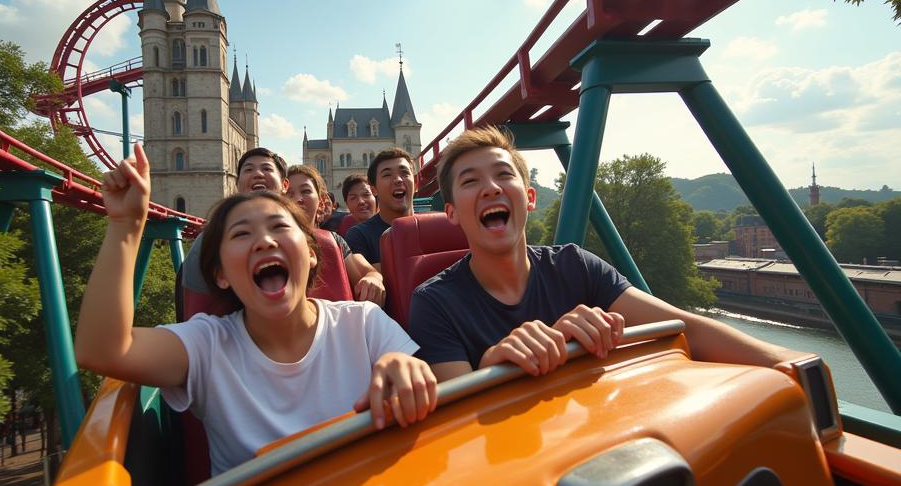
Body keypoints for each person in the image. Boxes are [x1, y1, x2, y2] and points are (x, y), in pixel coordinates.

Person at [75, 145, 438, 477]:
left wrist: (407, 367)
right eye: (241, 234)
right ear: (220, 275)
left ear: (312, 253)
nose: (264, 240)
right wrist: (125, 226)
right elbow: (103, 349)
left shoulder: (363, 324)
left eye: (279, 227)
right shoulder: (207, 345)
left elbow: (427, 399)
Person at [408, 126, 796, 381]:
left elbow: (683, 327)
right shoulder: (434, 302)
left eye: (504, 174)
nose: (491, 188)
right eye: (471, 180)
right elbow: (459, 427)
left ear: (529, 200)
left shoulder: (575, 266)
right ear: (452, 214)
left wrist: (783, 361)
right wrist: (495, 365)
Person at [182, 147, 288, 294]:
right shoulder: (209, 241)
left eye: (267, 168)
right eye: (248, 170)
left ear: (285, 185)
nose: (258, 174)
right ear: (237, 185)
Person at [287, 164, 386, 305]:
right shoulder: (270, 244)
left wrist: (372, 279)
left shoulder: (334, 241)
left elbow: (370, 273)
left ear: (321, 201)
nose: (298, 199)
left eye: (306, 191)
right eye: (289, 194)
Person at [344, 148, 415, 268]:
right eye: (387, 175)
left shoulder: (436, 226)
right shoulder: (359, 235)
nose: (398, 180)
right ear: (374, 190)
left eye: (404, 173)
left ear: (416, 182)